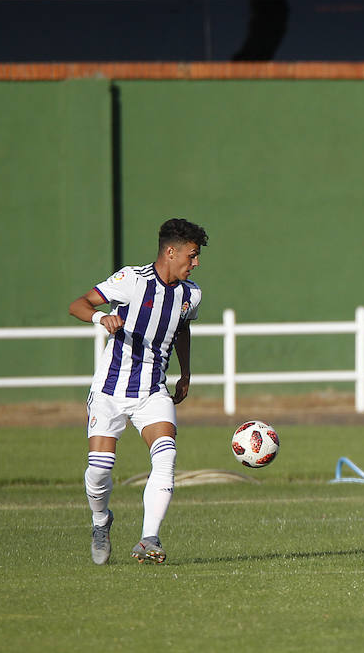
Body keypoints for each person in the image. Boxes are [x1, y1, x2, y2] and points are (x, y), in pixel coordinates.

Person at [69, 218, 207, 565]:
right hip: (110, 389)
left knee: (166, 456)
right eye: (191, 256)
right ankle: (101, 520)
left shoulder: (191, 295)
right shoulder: (132, 280)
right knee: (100, 469)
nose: (196, 263)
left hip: (152, 391)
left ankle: (149, 538)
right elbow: (79, 304)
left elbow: (182, 329)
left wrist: (186, 372)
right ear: (170, 252)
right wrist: (102, 319)